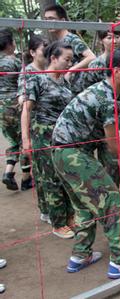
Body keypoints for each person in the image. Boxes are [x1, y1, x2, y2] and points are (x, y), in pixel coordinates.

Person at [51, 48, 120, 278]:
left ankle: (80, 255)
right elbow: (112, 145)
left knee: (83, 206)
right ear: (117, 71)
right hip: (73, 154)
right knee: (112, 202)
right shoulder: (106, 98)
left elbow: (116, 134)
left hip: (62, 154)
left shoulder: (104, 92)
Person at [21, 41, 76, 239]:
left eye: (71, 60)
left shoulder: (64, 80)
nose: (69, 64)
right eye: (66, 60)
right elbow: (26, 111)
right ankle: (58, 223)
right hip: (43, 137)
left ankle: (70, 216)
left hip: (64, 137)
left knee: (67, 177)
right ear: (53, 58)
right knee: (51, 180)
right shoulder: (38, 79)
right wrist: (26, 140)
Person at [83, 30, 120, 216]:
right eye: (109, 37)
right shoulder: (95, 66)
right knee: (111, 165)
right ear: (101, 41)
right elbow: (86, 93)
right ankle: (114, 206)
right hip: (101, 125)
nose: (114, 40)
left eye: (117, 36)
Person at [16, 35, 49, 223]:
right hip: (38, 130)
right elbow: (24, 104)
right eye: (43, 48)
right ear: (32, 52)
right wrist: (26, 140)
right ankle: (45, 210)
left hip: (52, 130)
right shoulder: (28, 72)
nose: (46, 50)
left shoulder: (50, 70)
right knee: (42, 172)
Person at [0, 28, 32, 191]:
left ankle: (8, 173)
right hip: (14, 105)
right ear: (9, 44)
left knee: (13, 141)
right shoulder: (13, 61)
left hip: (0, 108)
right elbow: (25, 81)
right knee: (24, 140)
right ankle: (26, 179)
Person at [43, 4, 96, 95]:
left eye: (51, 19)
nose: (48, 22)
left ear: (63, 21)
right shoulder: (58, 41)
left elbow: (91, 57)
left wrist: (70, 71)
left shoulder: (71, 39)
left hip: (77, 89)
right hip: (66, 88)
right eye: (46, 19)